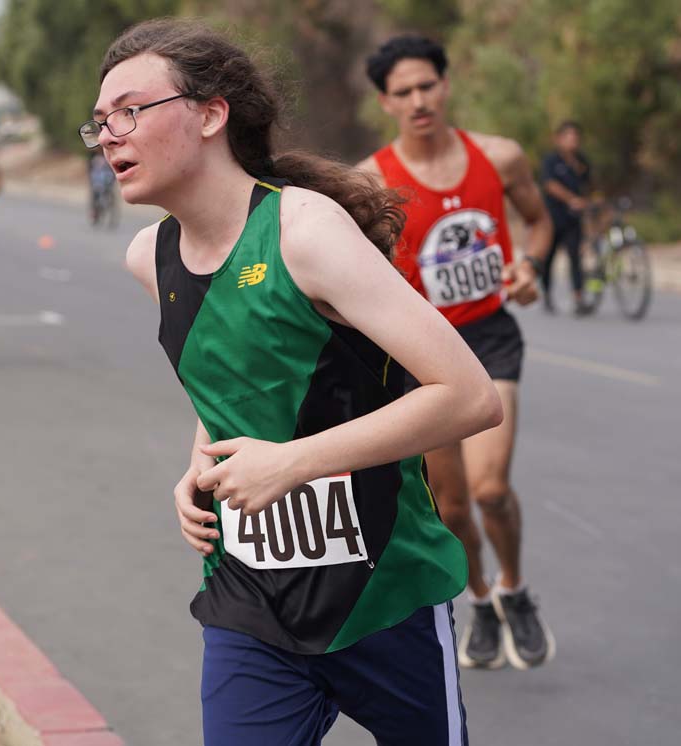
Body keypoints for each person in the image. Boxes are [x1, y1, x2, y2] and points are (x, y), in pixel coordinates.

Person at [91, 19, 503, 744]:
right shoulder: (147, 258)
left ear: (211, 113)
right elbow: (232, 375)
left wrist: (292, 463)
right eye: (99, 124)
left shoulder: (303, 231)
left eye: (129, 111)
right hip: (253, 602)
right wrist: (200, 463)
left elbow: (469, 396)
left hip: (383, 591)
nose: (109, 136)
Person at [358, 33, 557, 671]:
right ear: (385, 102)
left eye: (427, 86)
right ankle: (478, 600)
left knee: (492, 489)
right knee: (450, 508)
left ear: (445, 86)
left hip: (491, 336)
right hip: (423, 354)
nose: (418, 100)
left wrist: (529, 264)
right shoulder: (370, 181)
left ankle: (515, 589)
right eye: (403, 92)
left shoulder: (498, 157)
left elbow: (540, 220)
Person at [539, 120, 592, 313]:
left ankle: (578, 297)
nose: (573, 141)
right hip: (553, 217)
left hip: (573, 219)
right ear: (559, 139)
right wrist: (571, 199)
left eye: (576, 137)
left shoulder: (582, 162)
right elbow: (549, 184)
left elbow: (588, 186)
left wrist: (587, 203)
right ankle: (546, 294)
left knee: (575, 257)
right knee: (549, 257)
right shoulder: (551, 161)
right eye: (568, 137)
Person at [87, 150, 117, 227]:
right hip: (96, 182)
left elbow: (113, 170)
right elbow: (90, 170)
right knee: (94, 200)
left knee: (111, 201)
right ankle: (95, 215)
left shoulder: (109, 157)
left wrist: (112, 180)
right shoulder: (94, 158)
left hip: (107, 182)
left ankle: (111, 219)